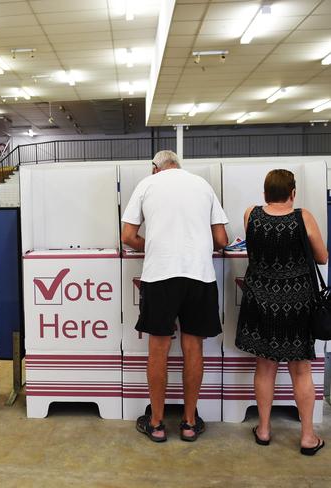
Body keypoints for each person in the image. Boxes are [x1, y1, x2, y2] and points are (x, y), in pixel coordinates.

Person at [121, 150, 228, 442]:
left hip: (160, 275)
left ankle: (156, 423)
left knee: (158, 349)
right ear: (177, 165)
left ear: (155, 168)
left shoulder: (147, 184)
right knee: (193, 348)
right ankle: (189, 422)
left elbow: (128, 236)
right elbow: (221, 240)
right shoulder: (202, 185)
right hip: (199, 275)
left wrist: (155, 244)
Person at [236, 169, 326, 456]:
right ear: (293, 193)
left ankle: (263, 430)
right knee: (300, 369)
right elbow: (322, 256)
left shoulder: (251, 214)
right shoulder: (303, 217)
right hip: (297, 299)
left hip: (260, 296)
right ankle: (308, 437)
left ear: (265, 193)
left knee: (265, 366)